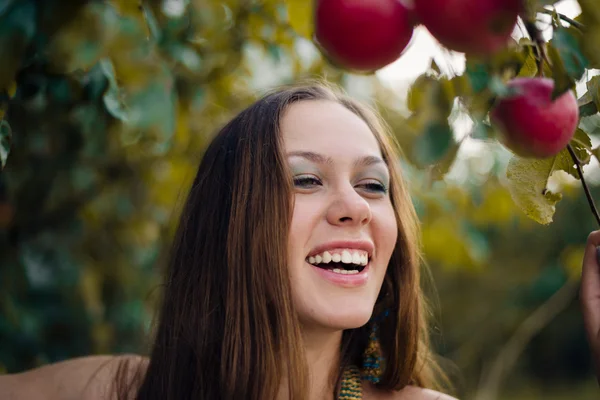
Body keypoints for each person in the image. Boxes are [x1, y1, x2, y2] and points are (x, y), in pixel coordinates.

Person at [0, 82, 599, 400]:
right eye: (306, 180)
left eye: (372, 185)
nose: (354, 209)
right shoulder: (111, 391)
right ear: (228, 222)